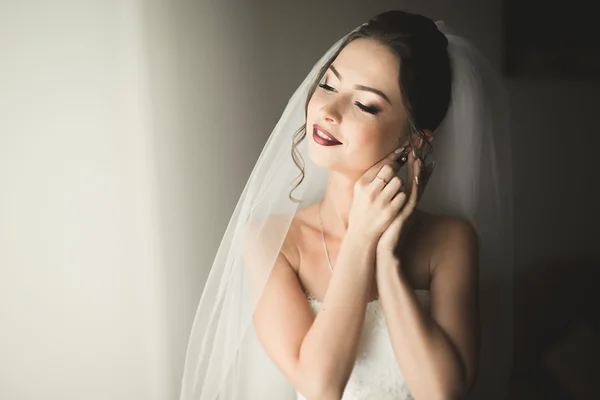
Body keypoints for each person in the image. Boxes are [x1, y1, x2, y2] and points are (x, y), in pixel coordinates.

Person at [179, 10, 513, 400]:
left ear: (415, 141)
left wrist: (387, 258)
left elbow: (442, 392)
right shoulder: (271, 240)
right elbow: (320, 387)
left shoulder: (449, 242)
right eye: (328, 85)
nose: (329, 111)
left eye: (366, 105)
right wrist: (361, 237)